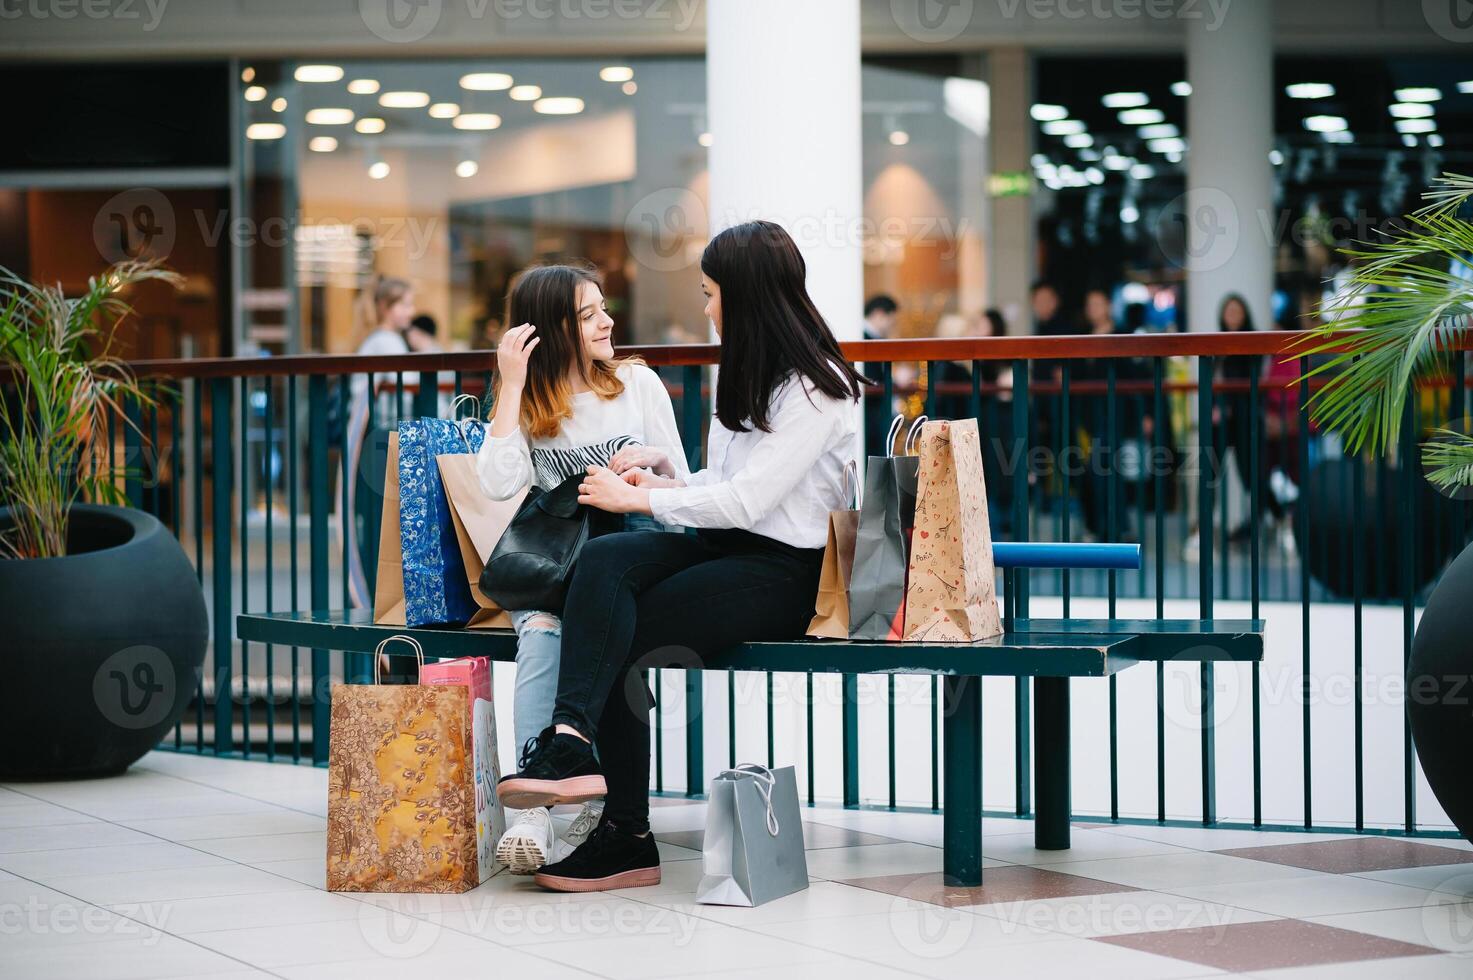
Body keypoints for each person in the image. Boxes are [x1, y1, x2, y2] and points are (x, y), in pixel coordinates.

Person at [496, 220, 867, 892]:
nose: (705, 307)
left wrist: (637, 501)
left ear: (745, 296)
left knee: (615, 622)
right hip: (722, 549)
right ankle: (573, 743)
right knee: (601, 566)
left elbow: (751, 503)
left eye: (710, 293)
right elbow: (721, 486)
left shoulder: (821, 389)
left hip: (780, 573)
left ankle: (624, 833)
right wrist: (666, 478)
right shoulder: (752, 371)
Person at [474, 263, 688, 875]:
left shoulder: (636, 384)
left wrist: (654, 467)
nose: (607, 322)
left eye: (603, 308)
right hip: (554, 565)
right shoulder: (532, 398)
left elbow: (687, 487)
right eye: (588, 314)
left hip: (631, 553)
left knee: (588, 629)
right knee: (542, 631)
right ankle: (534, 814)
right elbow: (496, 483)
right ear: (550, 331)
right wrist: (509, 386)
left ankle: (585, 796)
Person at [343, 277, 416, 610]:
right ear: (387, 308)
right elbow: (411, 385)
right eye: (404, 304)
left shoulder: (378, 340)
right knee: (383, 525)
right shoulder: (388, 342)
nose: (410, 311)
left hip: (372, 440)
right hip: (380, 442)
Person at [1216, 293, 1286, 540]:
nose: (1233, 316)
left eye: (1237, 311)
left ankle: (1274, 517)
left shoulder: (1253, 342)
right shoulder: (1217, 345)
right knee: (1240, 472)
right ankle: (1273, 518)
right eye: (1229, 311)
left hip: (1248, 417)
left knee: (1253, 473)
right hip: (1230, 419)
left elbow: (1253, 382)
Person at [862, 293, 899, 456]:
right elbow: (872, 379)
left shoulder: (870, 339)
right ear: (878, 314)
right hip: (872, 415)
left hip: (873, 413)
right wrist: (895, 381)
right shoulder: (866, 339)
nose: (892, 325)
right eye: (891, 319)